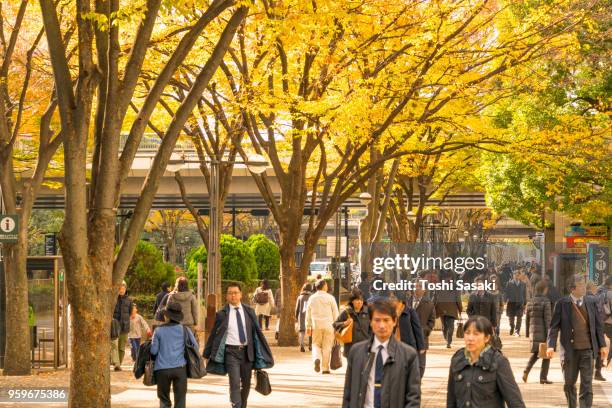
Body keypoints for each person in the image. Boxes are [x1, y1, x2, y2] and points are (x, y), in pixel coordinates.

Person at [204, 283, 274, 408]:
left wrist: (263, 353)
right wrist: (206, 354)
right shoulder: (222, 314)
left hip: (247, 353)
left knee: (246, 384)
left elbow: (257, 333)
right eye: (230, 293)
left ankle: (242, 405)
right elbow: (214, 335)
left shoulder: (249, 311)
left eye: (235, 293)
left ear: (241, 295)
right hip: (230, 352)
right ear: (227, 296)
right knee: (234, 382)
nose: (233, 295)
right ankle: (236, 405)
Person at [342, 299, 420, 408]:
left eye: (386, 320)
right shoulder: (356, 352)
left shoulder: (408, 355)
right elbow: (348, 393)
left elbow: (413, 398)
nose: (382, 325)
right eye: (377, 320)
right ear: (370, 322)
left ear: (394, 321)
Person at [546, 275, 608, 408]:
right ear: (572, 288)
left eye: (584, 284)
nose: (584, 287)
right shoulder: (562, 303)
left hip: (587, 349)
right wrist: (550, 346)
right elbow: (554, 326)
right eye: (580, 285)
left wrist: (602, 345)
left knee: (587, 384)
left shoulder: (591, 302)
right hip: (569, 351)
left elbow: (598, 325)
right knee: (569, 384)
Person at [447, 316, 525, 408]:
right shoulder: (457, 359)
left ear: (487, 338)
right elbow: (451, 399)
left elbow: (515, 401)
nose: (470, 338)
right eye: (467, 333)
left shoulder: (498, 361)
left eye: (476, 334)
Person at [151, 302, 198, 408]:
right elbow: (195, 346)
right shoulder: (185, 330)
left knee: (164, 400)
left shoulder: (158, 331)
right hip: (180, 369)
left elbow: (153, 351)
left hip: (162, 370)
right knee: (180, 401)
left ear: (166, 315)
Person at [306, 279, 339, 374]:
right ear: (324, 286)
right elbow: (335, 313)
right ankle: (325, 368)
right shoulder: (330, 298)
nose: (327, 286)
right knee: (327, 346)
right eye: (326, 285)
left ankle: (316, 358)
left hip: (315, 325)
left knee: (316, 344)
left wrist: (308, 325)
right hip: (329, 325)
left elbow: (308, 313)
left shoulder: (312, 298)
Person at [523, 281, 552, 384]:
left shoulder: (530, 301)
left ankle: (526, 370)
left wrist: (528, 333)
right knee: (547, 355)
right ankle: (543, 377)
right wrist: (550, 335)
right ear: (544, 289)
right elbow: (547, 320)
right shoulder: (546, 301)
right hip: (543, 333)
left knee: (536, 354)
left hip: (533, 332)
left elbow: (527, 319)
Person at [333, 288, 371, 358]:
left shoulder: (368, 312)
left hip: (364, 346)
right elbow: (335, 324)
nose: (359, 302)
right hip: (350, 347)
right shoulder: (346, 312)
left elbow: (372, 328)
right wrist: (344, 323)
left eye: (361, 300)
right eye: (357, 300)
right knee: (352, 368)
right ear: (352, 301)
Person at [410, 281, 436, 378]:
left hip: (422, 338)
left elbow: (431, 321)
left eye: (420, 286)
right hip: (407, 338)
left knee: (420, 364)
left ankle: (418, 381)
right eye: (415, 286)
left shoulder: (429, 303)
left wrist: (424, 331)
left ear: (424, 290)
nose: (417, 288)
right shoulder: (406, 302)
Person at [434, 271, 463, 348]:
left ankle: (447, 339)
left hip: (441, 308)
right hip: (451, 309)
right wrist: (460, 309)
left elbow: (435, 298)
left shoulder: (439, 285)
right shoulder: (455, 286)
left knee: (445, 326)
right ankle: (448, 340)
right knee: (450, 326)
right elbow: (458, 299)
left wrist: (433, 307)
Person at [587, 280, 607, 381]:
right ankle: (597, 372)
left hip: (586, 331)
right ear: (592, 288)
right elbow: (599, 315)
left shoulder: (583, 299)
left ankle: (589, 374)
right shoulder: (595, 300)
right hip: (596, 329)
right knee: (599, 350)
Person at [112, 281, 133, 371]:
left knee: (121, 347)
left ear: (125, 289)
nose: (121, 290)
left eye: (123, 288)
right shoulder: (113, 299)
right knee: (114, 345)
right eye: (120, 288)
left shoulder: (129, 300)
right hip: (115, 326)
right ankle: (116, 363)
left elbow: (131, 313)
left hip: (125, 326)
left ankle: (119, 364)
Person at [505, 270, 526, 337]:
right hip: (511, 302)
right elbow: (506, 293)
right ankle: (512, 326)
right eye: (515, 275)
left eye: (518, 275)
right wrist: (504, 300)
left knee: (519, 317)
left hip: (520, 302)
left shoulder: (523, 284)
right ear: (513, 275)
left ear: (520, 276)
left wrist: (525, 303)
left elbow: (524, 294)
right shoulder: (509, 283)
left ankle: (517, 331)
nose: (516, 276)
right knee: (511, 318)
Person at [295, 283, 313, 352]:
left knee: (302, 331)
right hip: (309, 316)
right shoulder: (311, 297)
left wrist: (296, 316)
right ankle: (310, 346)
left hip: (301, 316)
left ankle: (301, 346)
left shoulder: (300, 297)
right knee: (309, 331)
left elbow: (297, 308)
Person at [601, 277, 612, 367]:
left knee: (600, 341)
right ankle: (608, 360)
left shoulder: (599, 291)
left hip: (600, 321)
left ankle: (600, 362)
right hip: (609, 321)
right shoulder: (610, 294)